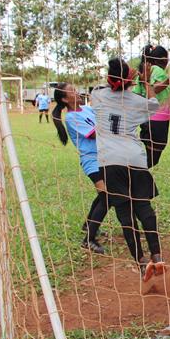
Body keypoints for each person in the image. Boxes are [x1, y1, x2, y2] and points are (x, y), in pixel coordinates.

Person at [94, 58, 164, 282]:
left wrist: (126, 79)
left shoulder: (97, 95)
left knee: (125, 214)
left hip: (110, 162)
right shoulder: (136, 100)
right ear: (130, 78)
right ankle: (158, 255)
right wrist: (145, 82)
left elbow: (107, 87)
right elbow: (155, 105)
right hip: (134, 159)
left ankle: (141, 262)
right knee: (144, 207)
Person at [51, 83, 108, 254]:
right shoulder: (71, 118)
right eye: (72, 91)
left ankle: (88, 224)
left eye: (76, 89)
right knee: (107, 196)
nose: (77, 92)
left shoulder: (86, 109)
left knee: (105, 194)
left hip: (104, 157)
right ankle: (88, 240)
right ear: (64, 99)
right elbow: (94, 133)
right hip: (91, 160)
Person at [133, 44, 170, 168]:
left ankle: (133, 175)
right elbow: (154, 89)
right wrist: (168, 81)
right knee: (152, 159)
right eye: (167, 57)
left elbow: (137, 92)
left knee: (149, 156)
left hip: (146, 118)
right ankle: (131, 175)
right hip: (157, 118)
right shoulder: (157, 71)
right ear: (163, 59)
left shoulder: (145, 70)